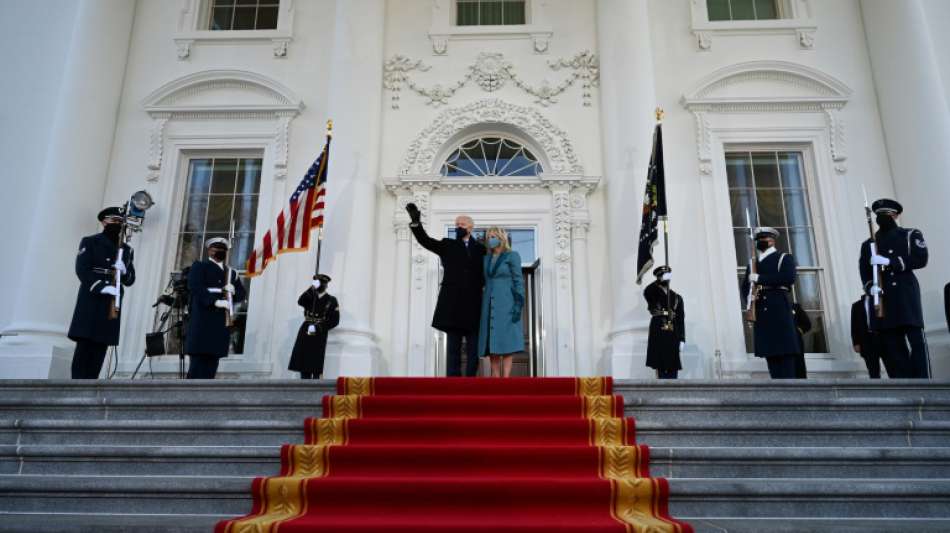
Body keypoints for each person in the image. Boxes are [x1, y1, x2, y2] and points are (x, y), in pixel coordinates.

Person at [405, 203, 485, 377]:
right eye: (456, 225)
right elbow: (425, 241)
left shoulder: (481, 249)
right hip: (453, 304)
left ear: (470, 228)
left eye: (461, 225)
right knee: (453, 348)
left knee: (474, 348)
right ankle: (453, 382)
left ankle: (471, 380)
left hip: (474, 305)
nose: (458, 228)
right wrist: (416, 223)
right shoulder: (447, 245)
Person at [859, 198, 930, 378]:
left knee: (916, 341)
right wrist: (870, 287)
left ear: (896, 215)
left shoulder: (910, 234)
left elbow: (921, 259)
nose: (884, 218)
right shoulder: (869, 244)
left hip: (905, 293)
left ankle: (923, 382)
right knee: (893, 345)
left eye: (888, 214)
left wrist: (890, 262)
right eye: (880, 215)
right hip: (885, 297)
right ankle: (904, 383)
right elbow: (865, 272)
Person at [67, 207, 136, 379]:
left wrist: (125, 271)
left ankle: (91, 383)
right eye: (114, 221)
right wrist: (100, 286)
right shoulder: (90, 242)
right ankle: (77, 385)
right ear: (104, 221)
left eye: (120, 222)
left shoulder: (126, 250)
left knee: (101, 344)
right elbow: (82, 269)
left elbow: (130, 279)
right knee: (85, 344)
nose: (118, 224)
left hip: (112, 299)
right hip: (92, 297)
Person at [741, 227, 800, 379]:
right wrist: (750, 299)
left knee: (785, 359)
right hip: (762, 313)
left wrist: (760, 279)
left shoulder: (784, 258)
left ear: (772, 240)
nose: (760, 242)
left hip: (779, 311)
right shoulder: (753, 264)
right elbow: (745, 288)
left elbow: (788, 278)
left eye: (763, 239)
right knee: (771, 359)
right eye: (758, 240)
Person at [185, 237, 246, 379]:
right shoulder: (200, 267)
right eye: (216, 249)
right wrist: (215, 302)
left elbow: (242, 294)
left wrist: (234, 291)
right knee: (196, 370)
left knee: (211, 370)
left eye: (222, 250)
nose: (219, 252)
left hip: (219, 325)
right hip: (202, 323)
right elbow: (196, 287)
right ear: (209, 251)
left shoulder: (231, 273)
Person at [477, 227, 525, 378]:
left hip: (507, 302)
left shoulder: (512, 256)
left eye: (493, 236)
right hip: (489, 303)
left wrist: (519, 303)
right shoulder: (486, 258)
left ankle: (506, 379)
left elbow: (518, 280)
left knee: (507, 339)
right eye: (488, 236)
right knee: (492, 341)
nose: (490, 239)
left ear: (501, 238)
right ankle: (495, 378)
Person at [288, 274, 340, 379]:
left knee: (315, 363)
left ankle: (316, 385)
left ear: (326, 285)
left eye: (321, 283)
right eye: (317, 283)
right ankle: (304, 384)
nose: (319, 285)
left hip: (319, 332)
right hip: (306, 329)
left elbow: (335, 320)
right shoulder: (310, 296)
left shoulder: (331, 300)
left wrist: (319, 327)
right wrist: (311, 288)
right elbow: (300, 301)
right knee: (303, 362)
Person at [643, 266, 685, 379]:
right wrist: (658, 281)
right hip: (659, 329)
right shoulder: (652, 292)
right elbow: (647, 292)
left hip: (672, 331)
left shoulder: (677, 298)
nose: (666, 279)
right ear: (658, 277)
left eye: (667, 276)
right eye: (662, 276)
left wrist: (682, 339)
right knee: (660, 363)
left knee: (673, 364)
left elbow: (681, 319)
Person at [851, 285, 892, 379]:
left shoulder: (883, 300)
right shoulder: (857, 305)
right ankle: (878, 392)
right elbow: (854, 325)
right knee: (873, 372)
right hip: (867, 341)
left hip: (883, 338)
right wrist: (856, 342)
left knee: (892, 368)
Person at [791, 303, 811, 379]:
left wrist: (797, 331)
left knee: (799, 371)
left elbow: (807, 324)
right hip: (781, 348)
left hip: (796, 345)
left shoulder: (795, 307)